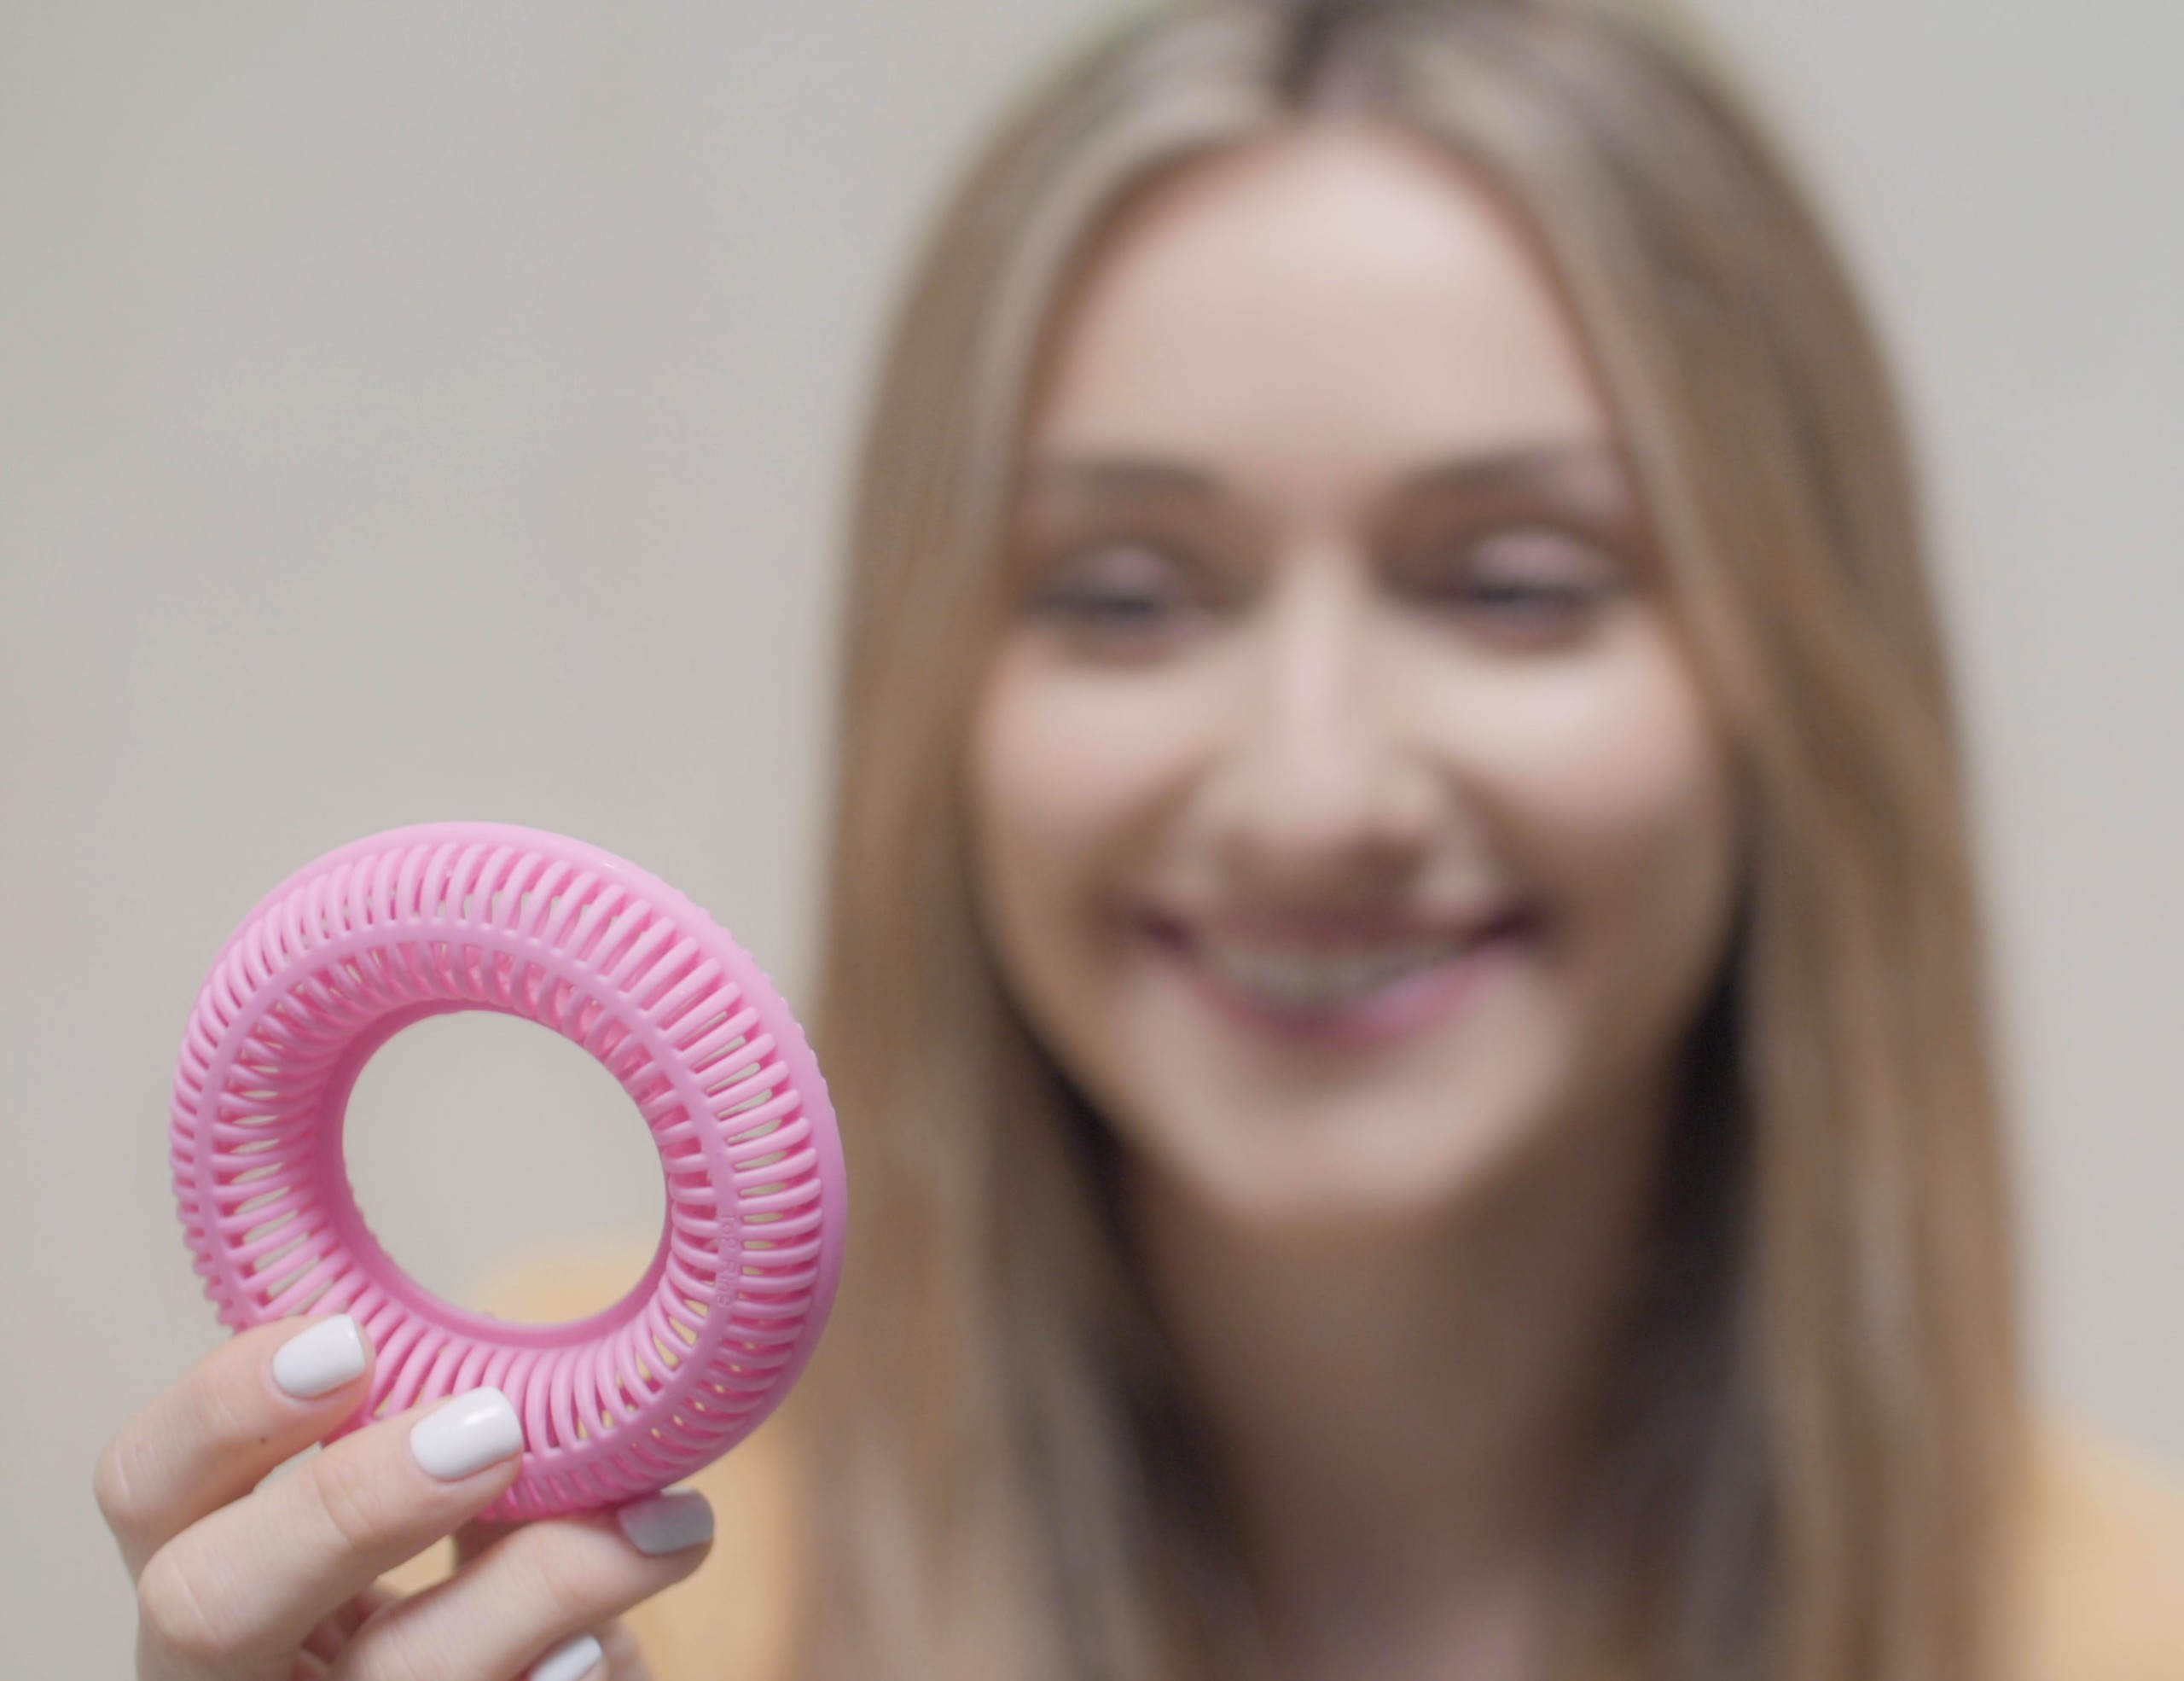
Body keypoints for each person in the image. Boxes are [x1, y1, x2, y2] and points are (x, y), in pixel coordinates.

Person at [93, 3, 2184, 1679]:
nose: (1308, 788)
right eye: (1121, 592)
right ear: (942, 697)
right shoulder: (558, 1562)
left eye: (1515, 580)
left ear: (1795, 685)